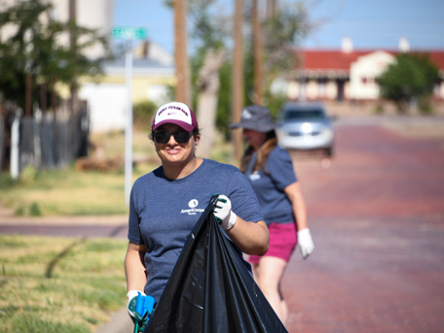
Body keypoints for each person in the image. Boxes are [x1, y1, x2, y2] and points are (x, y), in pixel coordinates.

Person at [124, 101, 269, 326]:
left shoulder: (227, 178)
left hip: (217, 311)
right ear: (154, 141)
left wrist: (231, 221)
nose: (172, 141)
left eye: (181, 134)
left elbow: (261, 242)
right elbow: (136, 250)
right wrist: (134, 293)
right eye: (162, 135)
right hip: (161, 314)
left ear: (196, 138)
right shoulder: (143, 188)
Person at [229, 104, 315, 324]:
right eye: (243, 128)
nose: (245, 133)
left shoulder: (276, 156)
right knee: (267, 285)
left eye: (249, 128)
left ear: (264, 129)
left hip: (280, 228)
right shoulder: (251, 155)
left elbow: (296, 195)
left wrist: (303, 231)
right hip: (259, 230)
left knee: (267, 286)